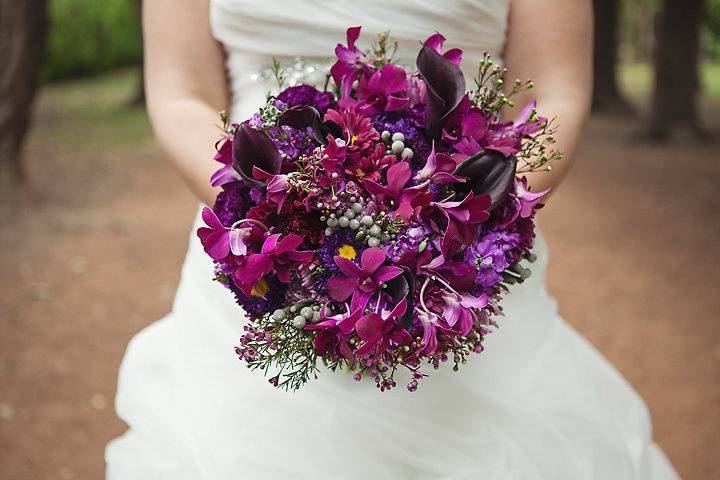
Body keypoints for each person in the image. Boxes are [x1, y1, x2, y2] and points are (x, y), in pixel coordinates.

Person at [106, 1, 679, 478]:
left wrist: (458, 217)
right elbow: (181, 92)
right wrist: (276, 207)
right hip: (267, 245)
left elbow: (554, 94)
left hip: (459, 247)